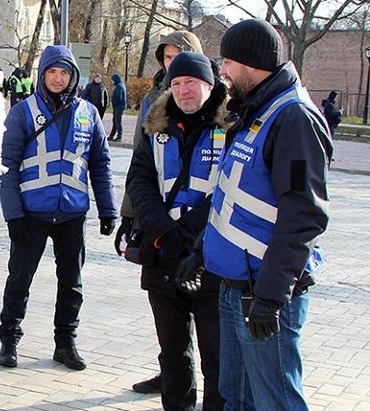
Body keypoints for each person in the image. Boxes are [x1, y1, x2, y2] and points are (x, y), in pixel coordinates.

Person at [180, 18, 332, 410]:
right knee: (237, 398)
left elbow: (304, 215)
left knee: (274, 402)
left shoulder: (294, 118)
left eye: (228, 61)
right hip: (235, 284)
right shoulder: (254, 110)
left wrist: (271, 296)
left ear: (252, 63)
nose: (223, 71)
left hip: (264, 292)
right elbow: (232, 196)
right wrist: (201, 252)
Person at [0, 44, 117, 371]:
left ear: (73, 75)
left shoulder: (88, 113)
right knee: (19, 279)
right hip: (31, 215)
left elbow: (101, 165)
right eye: (52, 72)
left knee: (72, 283)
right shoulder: (22, 112)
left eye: (64, 72)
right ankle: (9, 339)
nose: (58, 78)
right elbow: (5, 166)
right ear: (42, 75)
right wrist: (12, 214)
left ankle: (65, 343)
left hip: (72, 215)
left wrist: (108, 210)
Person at [126, 52, 228, 411]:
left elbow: (228, 191)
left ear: (210, 85)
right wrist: (166, 233)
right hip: (163, 255)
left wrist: (186, 233)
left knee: (217, 360)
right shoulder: (156, 126)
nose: (183, 91)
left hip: (212, 261)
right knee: (173, 357)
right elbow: (139, 182)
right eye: (177, 84)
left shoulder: (230, 128)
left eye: (191, 82)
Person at [116, 30, 203, 395]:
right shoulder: (155, 98)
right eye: (167, 59)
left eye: (179, 56)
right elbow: (141, 167)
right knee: (170, 327)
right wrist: (130, 216)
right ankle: (170, 375)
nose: (172, 65)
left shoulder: (218, 104)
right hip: (160, 229)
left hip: (202, 239)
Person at [107, 73, 126, 141]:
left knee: (118, 121)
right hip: (118, 107)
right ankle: (111, 136)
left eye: (113, 80)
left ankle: (119, 136)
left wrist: (114, 103)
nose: (112, 82)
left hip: (118, 107)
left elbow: (119, 97)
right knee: (115, 121)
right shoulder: (120, 85)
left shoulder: (119, 87)